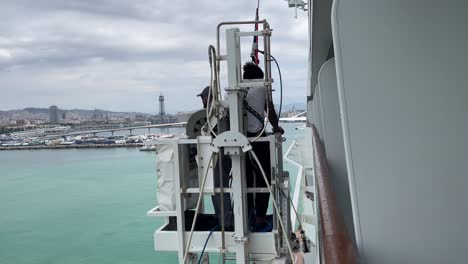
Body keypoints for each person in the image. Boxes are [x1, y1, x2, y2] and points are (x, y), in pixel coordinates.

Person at [242, 62, 284, 232]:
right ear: (259, 78)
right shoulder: (261, 88)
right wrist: (275, 127)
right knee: (264, 179)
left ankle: (245, 216)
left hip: (240, 141)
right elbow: (270, 109)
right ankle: (259, 219)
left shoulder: (237, 91)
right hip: (258, 139)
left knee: (243, 179)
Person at [196, 86, 234, 230]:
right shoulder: (219, 112)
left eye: (203, 97)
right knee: (217, 189)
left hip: (220, 155)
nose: (202, 101)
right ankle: (223, 219)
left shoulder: (216, 113)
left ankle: (226, 223)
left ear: (208, 97)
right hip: (220, 155)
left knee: (219, 189)